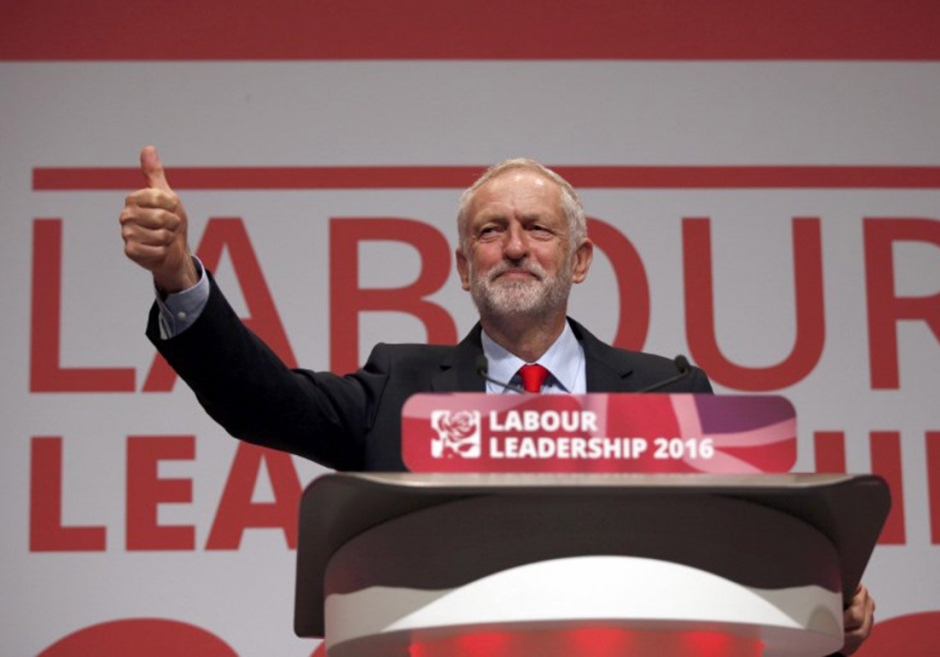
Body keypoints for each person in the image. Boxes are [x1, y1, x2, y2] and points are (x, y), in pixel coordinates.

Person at [119, 146, 874, 655]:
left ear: (578, 259)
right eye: (490, 230)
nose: (513, 245)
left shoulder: (672, 390)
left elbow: (734, 558)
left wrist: (815, 597)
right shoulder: (400, 387)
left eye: (537, 228)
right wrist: (181, 277)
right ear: (461, 266)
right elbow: (264, 400)